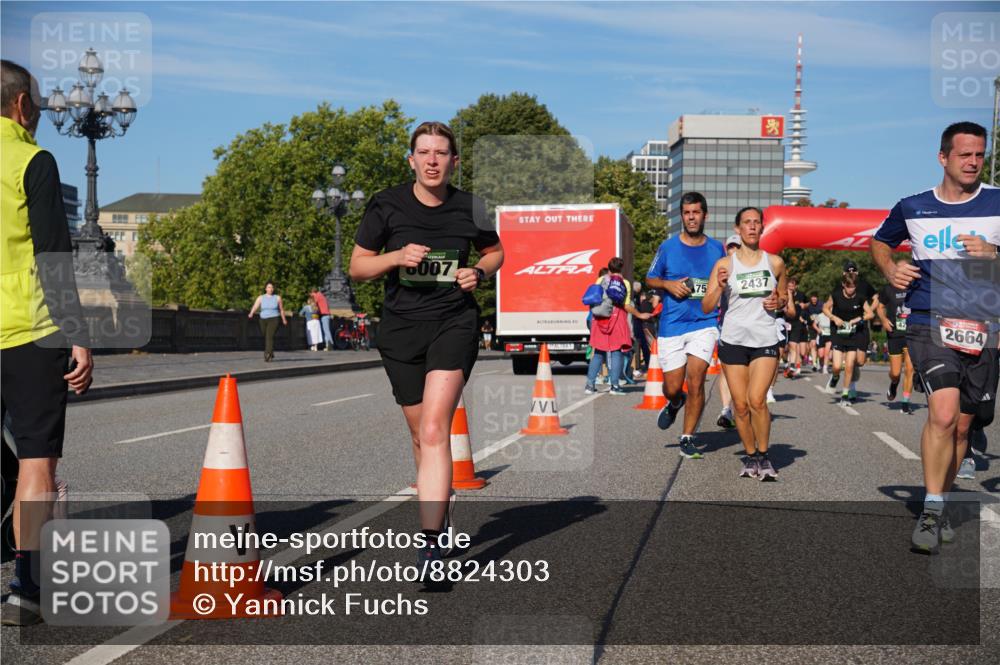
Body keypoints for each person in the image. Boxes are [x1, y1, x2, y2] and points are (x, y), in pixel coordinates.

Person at [348, 121, 504, 569]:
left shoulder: (470, 207)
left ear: (454, 161)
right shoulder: (386, 205)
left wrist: (480, 272)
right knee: (420, 436)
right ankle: (441, 505)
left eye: (441, 153)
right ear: (412, 159)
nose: (433, 160)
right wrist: (396, 257)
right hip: (400, 331)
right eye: (424, 152)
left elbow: (496, 251)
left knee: (436, 429)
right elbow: (357, 267)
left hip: (453, 322)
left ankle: (431, 543)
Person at [870, 121, 999, 554]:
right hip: (929, 319)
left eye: (979, 155)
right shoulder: (913, 207)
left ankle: (939, 503)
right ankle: (931, 508)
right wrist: (890, 268)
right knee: (942, 415)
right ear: (943, 157)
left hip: (985, 325)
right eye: (964, 155)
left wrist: (995, 254)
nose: (973, 162)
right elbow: (880, 243)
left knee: (964, 426)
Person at [1, 60, 94, 626]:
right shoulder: (31, 159)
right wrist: (79, 338)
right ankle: (26, 586)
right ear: (20, 107)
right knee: (37, 461)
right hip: (30, 332)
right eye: (34, 104)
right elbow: (53, 259)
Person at [702, 207, 787, 480]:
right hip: (733, 339)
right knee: (739, 406)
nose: (752, 227)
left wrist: (779, 302)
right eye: (746, 223)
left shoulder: (775, 263)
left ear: (762, 228)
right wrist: (717, 285)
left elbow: (783, 297)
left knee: (757, 400)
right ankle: (750, 456)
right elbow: (706, 306)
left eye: (756, 223)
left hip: (764, 338)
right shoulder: (724, 264)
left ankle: (764, 455)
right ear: (738, 229)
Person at [645, 192, 726, 459]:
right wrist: (668, 284)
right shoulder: (668, 248)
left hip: (704, 323)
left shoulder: (717, 249)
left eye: (696, 212)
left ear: (705, 215)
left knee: (697, 380)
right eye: (687, 213)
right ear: (682, 215)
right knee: (671, 386)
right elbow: (650, 278)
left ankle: (687, 437)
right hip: (672, 324)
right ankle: (675, 401)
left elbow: (725, 282)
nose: (692, 217)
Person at [585, 258, 650, 395]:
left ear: (609, 268)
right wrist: (639, 315)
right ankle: (614, 386)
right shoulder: (625, 283)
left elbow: (594, 298)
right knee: (616, 352)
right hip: (617, 318)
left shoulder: (601, 279)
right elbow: (626, 305)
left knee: (598, 352)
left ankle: (590, 385)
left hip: (600, 318)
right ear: (621, 269)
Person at [822, 273, 875, 405]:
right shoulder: (836, 295)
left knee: (850, 365)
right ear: (843, 285)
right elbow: (825, 308)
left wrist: (859, 319)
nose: (851, 289)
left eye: (853, 287)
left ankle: (845, 395)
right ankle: (834, 377)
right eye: (848, 286)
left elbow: (870, 313)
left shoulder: (861, 298)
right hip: (838, 333)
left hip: (852, 334)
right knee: (836, 366)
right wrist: (834, 318)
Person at [715, 234, 742, 429]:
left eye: (736, 246)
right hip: (726, 325)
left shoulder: (754, 268)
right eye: (730, 246)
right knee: (725, 368)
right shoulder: (721, 269)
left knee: (745, 373)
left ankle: (743, 408)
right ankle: (726, 409)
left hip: (751, 327)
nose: (733, 250)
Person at [248, 281, 287, 361]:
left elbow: (281, 309)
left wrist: (284, 319)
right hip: (263, 319)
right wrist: (251, 313)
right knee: (266, 336)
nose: (271, 289)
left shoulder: (277, 298)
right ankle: (271, 352)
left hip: (274, 318)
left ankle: (267, 354)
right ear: (266, 289)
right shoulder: (261, 297)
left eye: (272, 287)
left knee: (269, 336)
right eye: (269, 287)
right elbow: (255, 306)